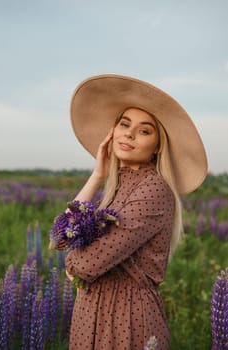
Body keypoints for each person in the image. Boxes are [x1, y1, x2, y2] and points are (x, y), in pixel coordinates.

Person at [64, 74, 207, 350]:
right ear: (113, 131)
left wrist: (73, 262)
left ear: (156, 148)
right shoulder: (115, 188)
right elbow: (61, 235)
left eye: (144, 130)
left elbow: (88, 263)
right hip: (89, 313)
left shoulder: (154, 190)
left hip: (126, 319)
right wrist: (97, 175)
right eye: (124, 124)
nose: (129, 133)